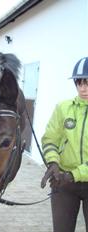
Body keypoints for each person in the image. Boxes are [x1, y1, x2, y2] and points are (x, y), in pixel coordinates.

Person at [41, 57, 88, 232]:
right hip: (64, 183)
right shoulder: (63, 107)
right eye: (79, 83)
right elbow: (50, 138)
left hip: (72, 176)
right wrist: (53, 163)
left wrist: (74, 174)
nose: (83, 88)